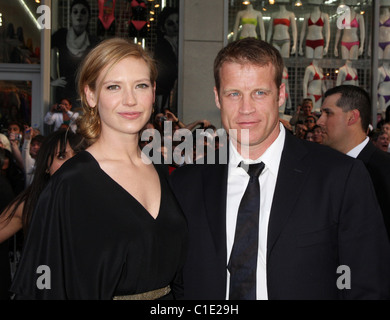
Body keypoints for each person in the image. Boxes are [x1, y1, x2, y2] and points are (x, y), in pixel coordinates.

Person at [170, 38, 390, 300]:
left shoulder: (339, 177)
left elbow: (366, 283)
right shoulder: (187, 184)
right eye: (234, 94)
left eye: (259, 93)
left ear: (281, 95)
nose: (246, 108)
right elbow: (179, 284)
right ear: (217, 97)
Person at [10, 38, 187, 300]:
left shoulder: (164, 172)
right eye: (114, 87)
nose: (130, 100)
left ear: (153, 92)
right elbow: (42, 285)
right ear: (91, 95)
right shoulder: (70, 183)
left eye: (141, 85)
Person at [317, 84, 390, 240]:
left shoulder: (384, 170)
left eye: (328, 113)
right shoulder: (321, 168)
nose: (319, 121)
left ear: (352, 117)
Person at [0, 129, 87, 245]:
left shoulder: (100, 200)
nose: (71, 161)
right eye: (61, 156)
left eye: (78, 155)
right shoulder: (31, 205)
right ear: (46, 166)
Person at [51, 0, 99, 108]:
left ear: (88, 17)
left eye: (83, 12)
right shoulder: (61, 36)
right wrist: (51, 81)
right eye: (75, 12)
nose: (79, 15)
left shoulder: (94, 42)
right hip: (63, 93)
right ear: (71, 15)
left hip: (82, 95)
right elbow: (43, 53)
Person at [154, 7, 179, 114]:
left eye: (178, 22)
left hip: (171, 89)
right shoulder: (162, 46)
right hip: (164, 90)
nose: (176, 26)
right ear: (162, 28)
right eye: (170, 23)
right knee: (164, 114)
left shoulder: (179, 44)